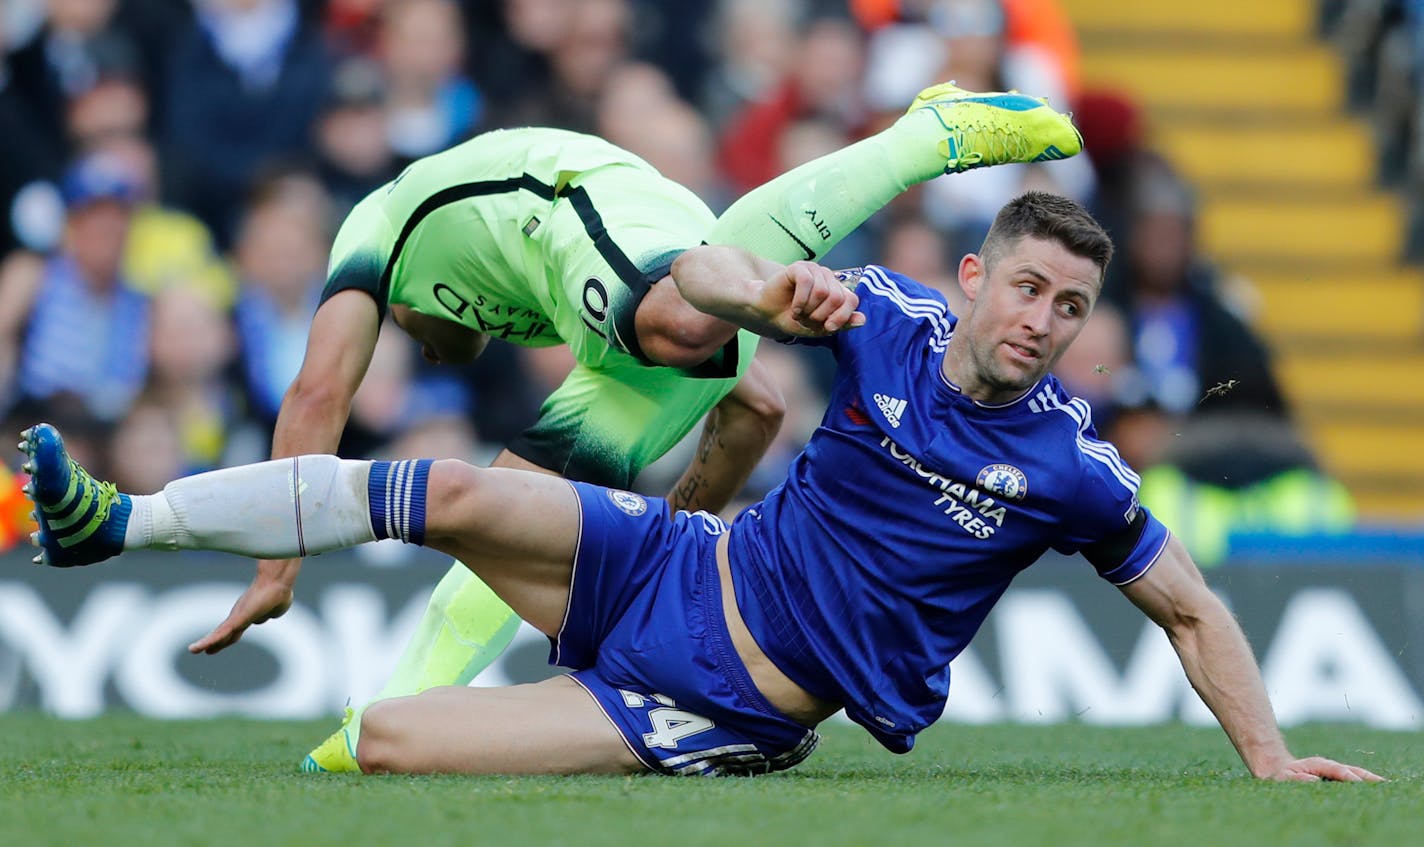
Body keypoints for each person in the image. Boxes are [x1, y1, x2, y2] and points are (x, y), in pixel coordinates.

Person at [21, 192, 1382, 782]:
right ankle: (117, 523)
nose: (1041, 318)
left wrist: (1267, 759)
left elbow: (1194, 608)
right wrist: (762, 287)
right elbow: (707, 271)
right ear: (976, 279)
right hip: (673, 561)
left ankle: (665, 733)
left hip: (717, 694)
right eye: (1024, 285)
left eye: (1070, 303)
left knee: (383, 739)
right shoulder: (889, 315)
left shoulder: (1071, 469)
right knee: (438, 485)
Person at [165, 83, 1086, 771]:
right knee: (533, 482)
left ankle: (923, 139)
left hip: (574, 204)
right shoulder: (502, 307)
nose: (439, 351)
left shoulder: (374, 236)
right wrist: (683, 537)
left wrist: (274, 571)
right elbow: (756, 409)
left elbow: (317, 393)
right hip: (644, 253)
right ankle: (367, 730)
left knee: (686, 320)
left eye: (420, 332)